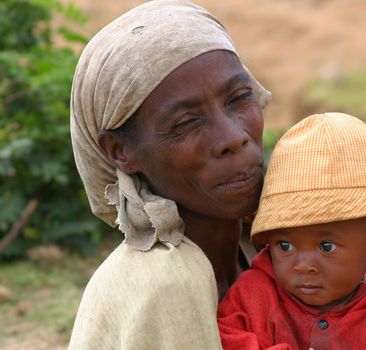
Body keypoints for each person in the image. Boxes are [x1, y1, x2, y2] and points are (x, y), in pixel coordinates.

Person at [68, 0, 271, 349]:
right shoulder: (166, 286)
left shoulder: (269, 248)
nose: (233, 138)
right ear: (121, 152)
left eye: (238, 98)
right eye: (186, 122)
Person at [217, 112, 366, 349]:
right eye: (285, 246)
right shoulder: (255, 295)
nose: (302, 265)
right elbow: (226, 337)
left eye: (326, 246)